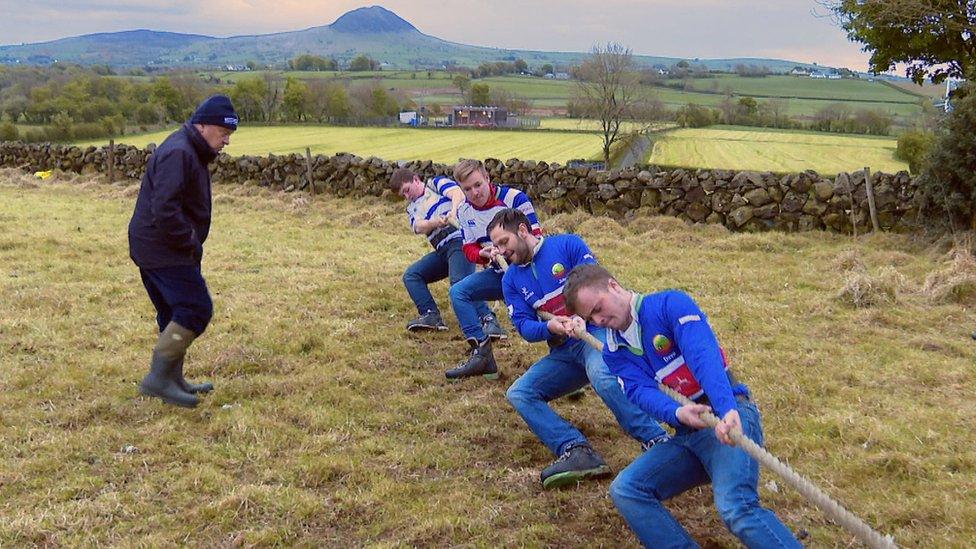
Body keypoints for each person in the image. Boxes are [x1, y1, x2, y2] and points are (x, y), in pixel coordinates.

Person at [563, 264, 801, 548]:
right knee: (627, 489)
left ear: (613, 286)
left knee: (736, 508)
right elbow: (639, 391)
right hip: (688, 433)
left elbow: (703, 355)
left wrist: (726, 410)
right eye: (591, 317)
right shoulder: (615, 351)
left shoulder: (668, 305)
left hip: (728, 416)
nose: (599, 320)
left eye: (599, 308)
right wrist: (676, 413)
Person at [488, 209, 670, 489]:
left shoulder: (568, 245)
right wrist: (550, 328)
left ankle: (656, 440)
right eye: (496, 245)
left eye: (503, 242)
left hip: (595, 334)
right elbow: (524, 326)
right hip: (564, 351)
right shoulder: (510, 280)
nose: (500, 250)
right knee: (519, 393)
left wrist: (579, 316)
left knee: (601, 374)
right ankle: (575, 449)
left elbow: (593, 284)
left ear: (522, 231)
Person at [128, 95, 238, 408]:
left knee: (173, 312)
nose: (226, 141)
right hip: (163, 248)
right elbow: (164, 208)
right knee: (195, 309)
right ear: (202, 125)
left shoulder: (189, 150)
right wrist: (188, 242)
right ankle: (158, 380)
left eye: (229, 135)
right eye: (222, 133)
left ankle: (173, 379)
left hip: (155, 245)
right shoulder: (179, 152)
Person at [445, 159, 539, 380]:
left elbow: (536, 237)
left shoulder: (514, 199)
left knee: (548, 316)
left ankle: (568, 365)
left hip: (530, 271)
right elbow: (468, 247)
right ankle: (482, 354)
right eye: (467, 189)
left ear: (487, 178)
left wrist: (508, 250)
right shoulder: (465, 211)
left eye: (478, 185)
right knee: (458, 292)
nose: (474, 192)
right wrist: (482, 255)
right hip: (499, 274)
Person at [389, 168, 475, 332]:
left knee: (459, 284)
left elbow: (458, 194)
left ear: (415, 179)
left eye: (407, 190)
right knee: (412, 275)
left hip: (460, 242)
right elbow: (418, 226)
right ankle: (430, 315)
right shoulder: (412, 208)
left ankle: (487, 321)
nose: (407, 196)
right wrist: (436, 222)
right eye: (403, 195)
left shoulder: (435, 184)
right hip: (443, 250)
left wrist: (453, 212)